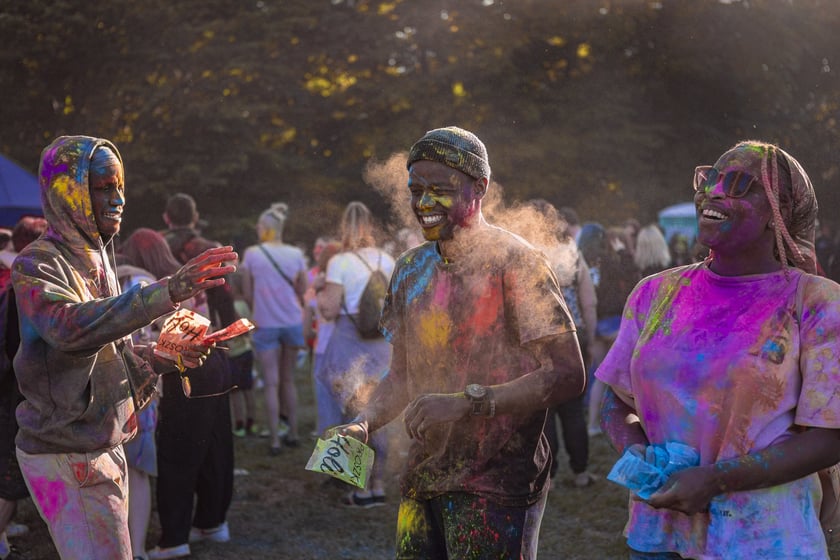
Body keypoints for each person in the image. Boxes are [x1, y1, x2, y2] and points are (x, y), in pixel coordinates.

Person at [329, 126, 586, 558]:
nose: (423, 204)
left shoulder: (517, 263)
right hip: (423, 477)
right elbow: (402, 377)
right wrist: (365, 422)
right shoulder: (409, 269)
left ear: (479, 187)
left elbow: (567, 374)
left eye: (441, 190)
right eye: (416, 191)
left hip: (497, 484)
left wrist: (469, 402)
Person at [596, 140, 840, 559]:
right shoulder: (655, 293)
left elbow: (829, 438)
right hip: (658, 534)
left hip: (763, 540)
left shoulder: (816, 303)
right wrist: (636, 451)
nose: (712, 192)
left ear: (778, 212)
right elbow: (614, 401)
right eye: (709, 179)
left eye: (740, 184)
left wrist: (714, 480)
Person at [11, 135, 235, 560]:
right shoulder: (38, 262)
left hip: (101, 443)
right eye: (102, 187)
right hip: (66, 450)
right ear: (67, 192)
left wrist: (163, 358)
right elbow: (69, 329)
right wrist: (168, 291)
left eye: (120, 187)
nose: (118, 200)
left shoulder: (98, 260)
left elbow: (110, 358)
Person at [154, 194, 240, 559]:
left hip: (177, 348)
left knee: (179, 445)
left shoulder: (155, 246)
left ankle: (176, 536)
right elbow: (225, 301)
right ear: (196, 215)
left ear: (166, 217)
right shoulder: (207, 248)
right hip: (213, 348)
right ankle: (212, 521)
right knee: (216, 441)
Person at [316, 201, 395, 506]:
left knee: (352, 410)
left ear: (344, 227)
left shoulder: (340, 262)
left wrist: (320, 289)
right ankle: (378, 485)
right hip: (382, 344)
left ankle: (359, 489)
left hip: (350, 343)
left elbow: (329, 309)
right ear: (370, 226)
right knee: (378, 410)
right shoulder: (388, 259)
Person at [525, 199, 598, 488]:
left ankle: (549, 475)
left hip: (537, 339)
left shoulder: (525, 255)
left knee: (544, 411)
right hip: (573, 335)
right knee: (573, 408)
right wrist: (589, 340)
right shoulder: (572, 253)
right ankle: (581, 473)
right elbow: (589, 302)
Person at [240, 202, 308, 454]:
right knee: (288, 380)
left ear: (264, 228)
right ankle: (294, 433)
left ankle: (275, 441)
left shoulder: (252, 254)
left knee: (271, 382)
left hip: (265, 322)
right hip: (292, 321)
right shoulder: (296, 254)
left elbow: (247, 292)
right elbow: (302, 289)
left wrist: (259, 307)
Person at [0, 217, 47, 560]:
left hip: (13, 390)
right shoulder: (25, 286)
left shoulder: (17, 281)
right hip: (16, 392)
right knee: (8, 479)